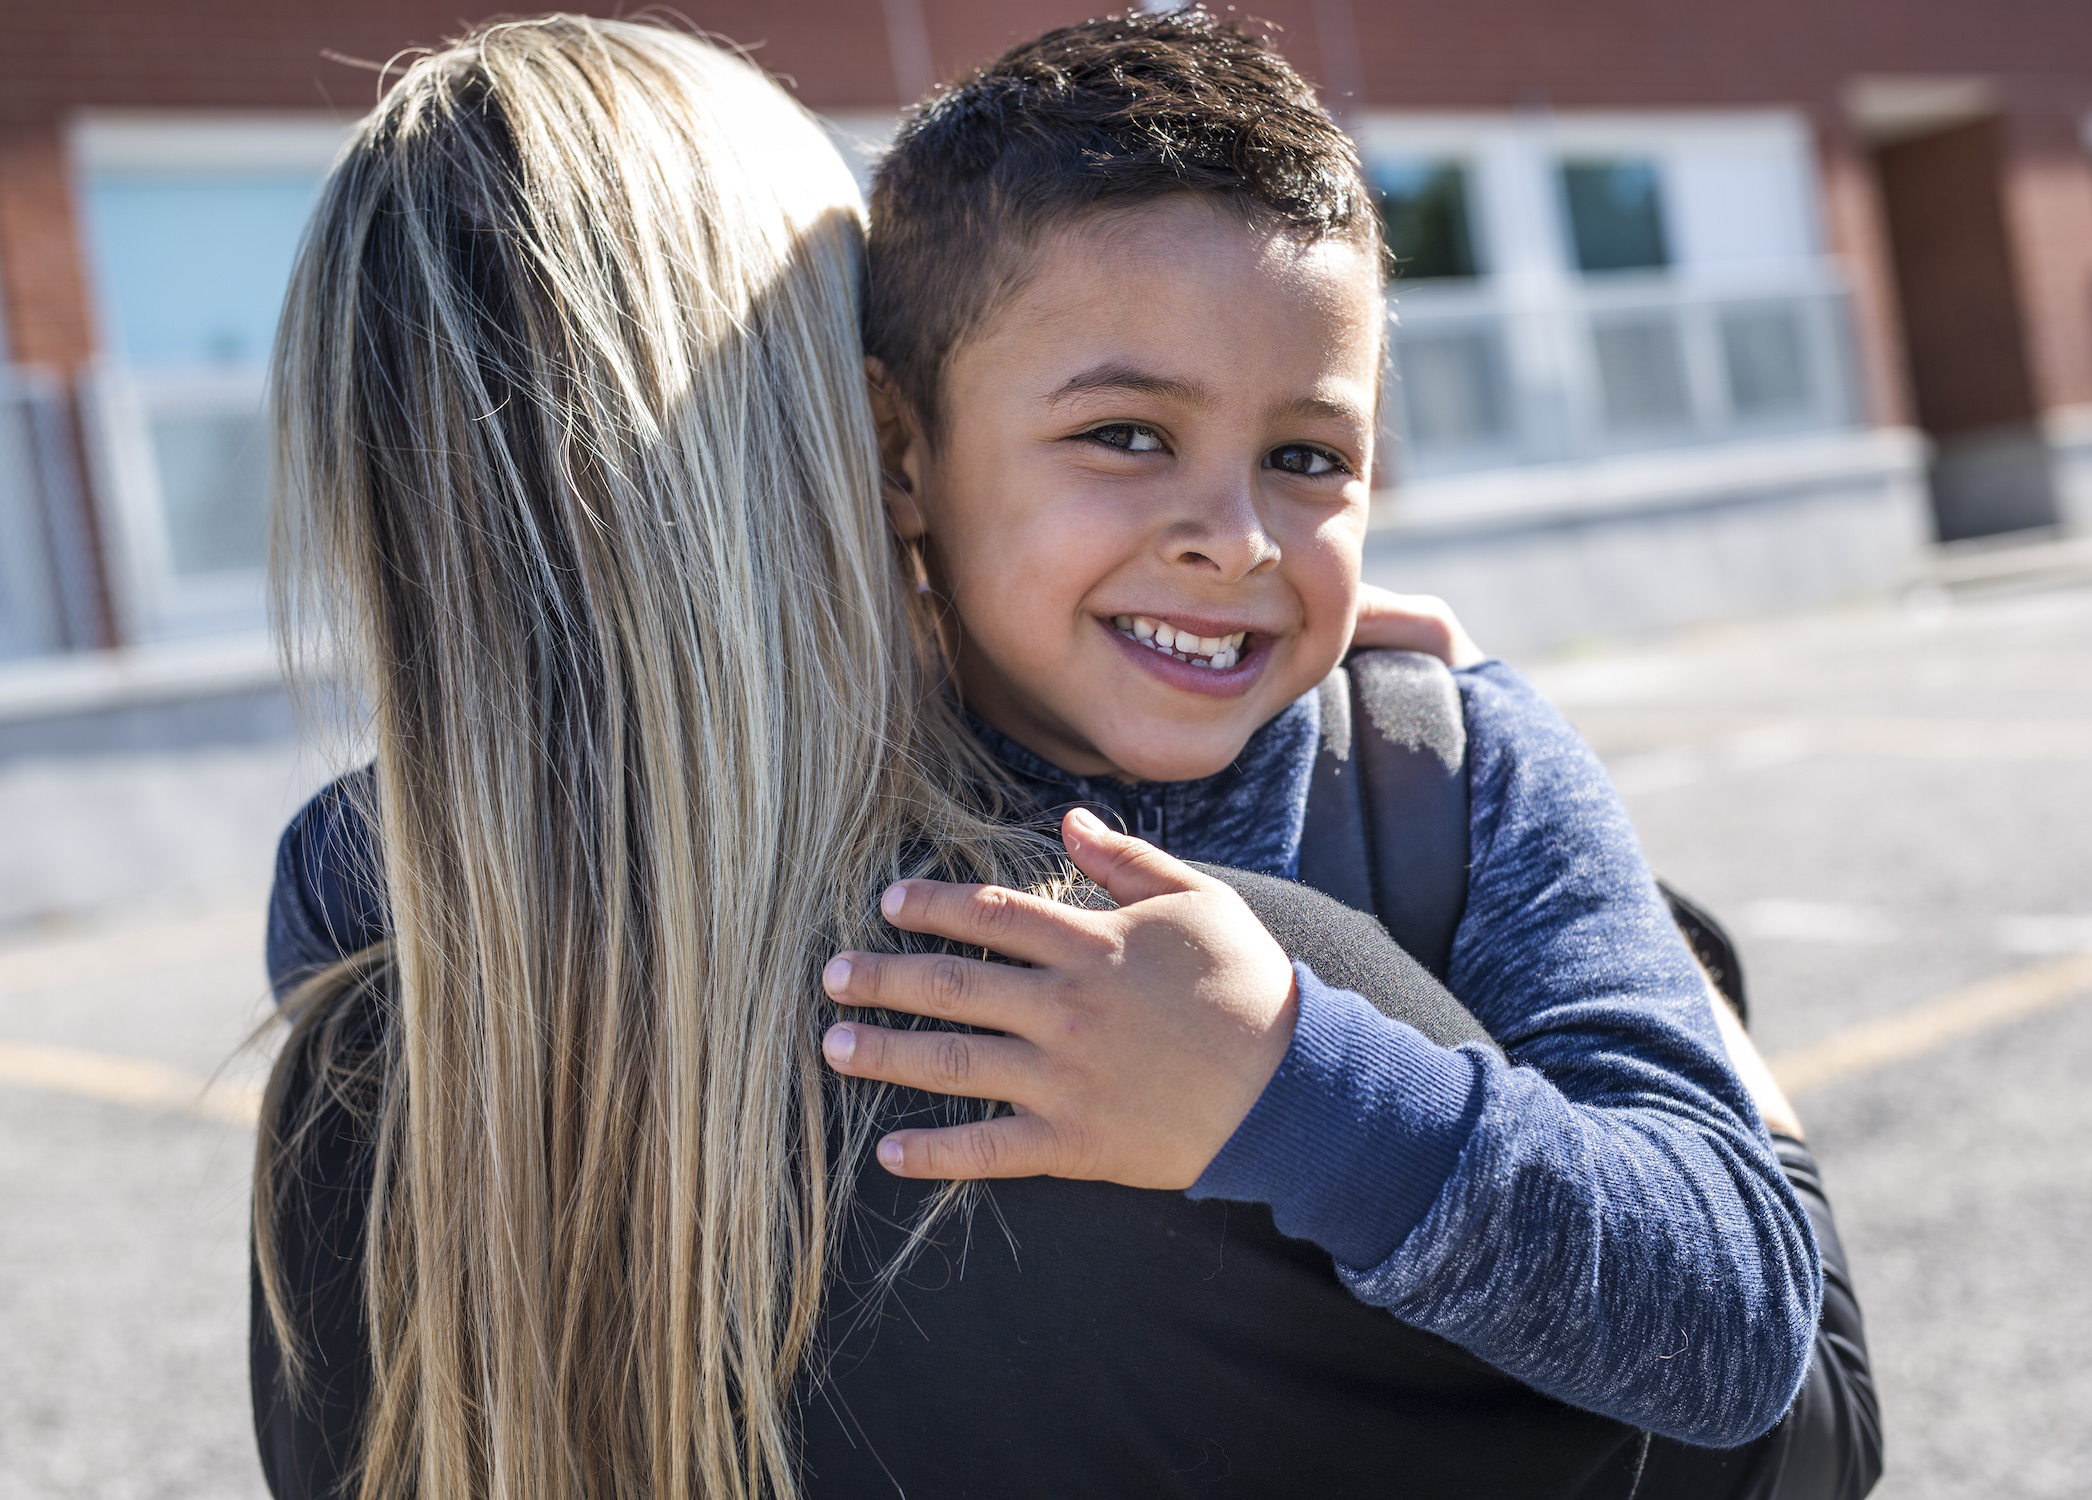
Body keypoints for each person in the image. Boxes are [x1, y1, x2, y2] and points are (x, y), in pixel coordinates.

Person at [258, 12, 1875, 1497]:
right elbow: (1807, 1421)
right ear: (886, 449)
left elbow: (1732, 1314)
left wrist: (1317, 1076)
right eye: (1125, 435)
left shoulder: (1442, 770)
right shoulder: (1125, 968)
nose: (1232, 541)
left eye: (1310, 456)